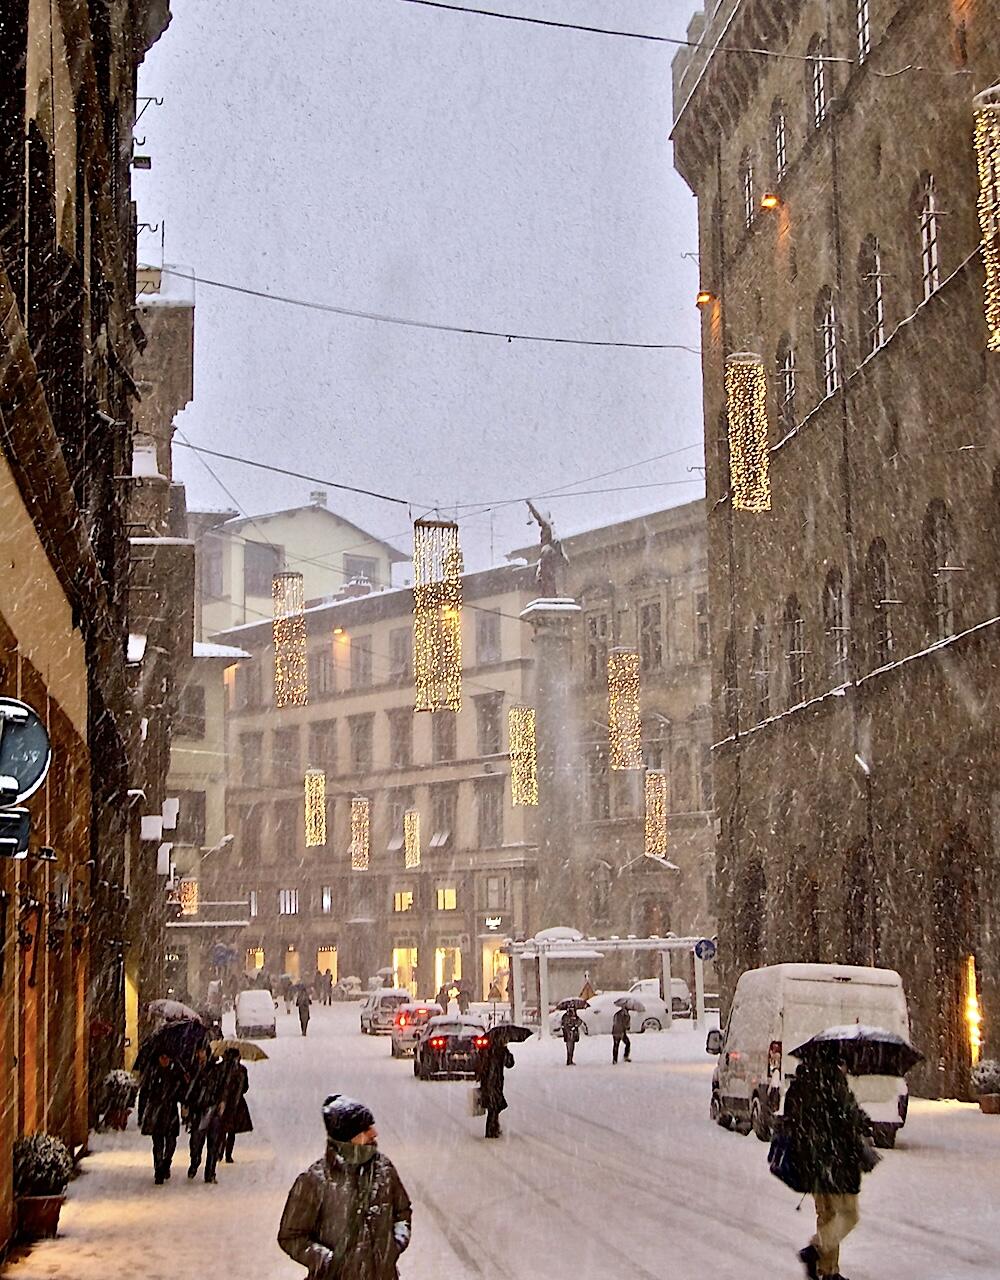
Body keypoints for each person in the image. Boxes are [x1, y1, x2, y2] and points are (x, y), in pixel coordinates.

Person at [278, 1095, 412, 1280]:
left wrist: (392, 1247)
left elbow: (402, 1213)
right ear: (346, 1138)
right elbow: (291, 1237)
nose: (374, 1132)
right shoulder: (314, 1181)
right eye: (365, 1129)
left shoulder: (384, 1169)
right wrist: (330, 1261)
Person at [782, 1056, 875, 1280]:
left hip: (810, 1162)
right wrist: (862, 1121)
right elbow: (846, 1118)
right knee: (848, 1215)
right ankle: (815, 1251)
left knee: (826, 1215)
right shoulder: (833, 1084)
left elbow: (790, 1119)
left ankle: (828, 1271)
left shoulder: (801, 1084)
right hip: (835, 1161)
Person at [138, 1049, 187, 1184]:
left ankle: (166, 1162)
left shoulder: (176, 1071)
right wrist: (141, 1114)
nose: (165, 1060)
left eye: (167, 1058)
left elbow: (183, 1091)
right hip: (156, 1113)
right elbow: (144, 1092)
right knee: (158, 1143)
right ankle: (158, 1169)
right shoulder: (152, 1072)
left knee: (171, 1142)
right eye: (162, 1057)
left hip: (171, 1112)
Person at [183, 1045, 222, 1181]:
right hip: (197, 1110)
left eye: (203, 1052)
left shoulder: (215, 1069)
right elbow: (187, 1090)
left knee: (213, 1143)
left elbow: (221, 1087)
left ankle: (210, 1173)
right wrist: (186, 1104)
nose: (200, 1054)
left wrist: (221, 1101)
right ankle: (195, 1162)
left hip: (212, 1108)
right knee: (196, 1142)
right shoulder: (192, 1069)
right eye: (199, 1051)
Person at [214, 1046, 253, 1168]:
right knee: (232, 1131)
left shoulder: (219, 1068)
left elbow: (216, 1085)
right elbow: (245, 1088)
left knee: (221, 1129)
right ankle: (228, 1155)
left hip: (222, 1101)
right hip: (236, 1103)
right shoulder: (241, 1070)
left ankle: (219, 1153)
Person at [476, 1037, 515, 1139]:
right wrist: (508, 1053)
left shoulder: (485, 1049)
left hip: (487, 1081)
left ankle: (493, 1128)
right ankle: (492, 1129)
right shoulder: (501, 1050)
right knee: (495, 1105)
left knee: (493, 1105)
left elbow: (479, 1063)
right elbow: (510, 1064)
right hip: (496, 1081)